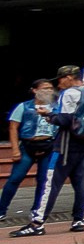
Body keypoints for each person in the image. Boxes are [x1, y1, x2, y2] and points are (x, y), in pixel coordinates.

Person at [16, 66, 84, 237]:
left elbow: (65, 119)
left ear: (68, 77)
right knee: (80, 183)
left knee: (51, 183)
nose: (58, 84)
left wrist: (49, 115)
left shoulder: (69, 94)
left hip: (66, 146)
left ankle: (38, 222)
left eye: (60, 79)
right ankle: (78, 220)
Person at [2, 79, 57, 220]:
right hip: (28, 145)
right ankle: (2, 209)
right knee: (15, 178)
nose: (49, 91)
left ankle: (37, 209)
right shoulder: (24, 107)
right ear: (34, 90)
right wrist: (15, 149)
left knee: (43, 180)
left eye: (50, 88)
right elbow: (13, 127)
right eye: (45, 88)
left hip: (49, 145)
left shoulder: (56, 107)